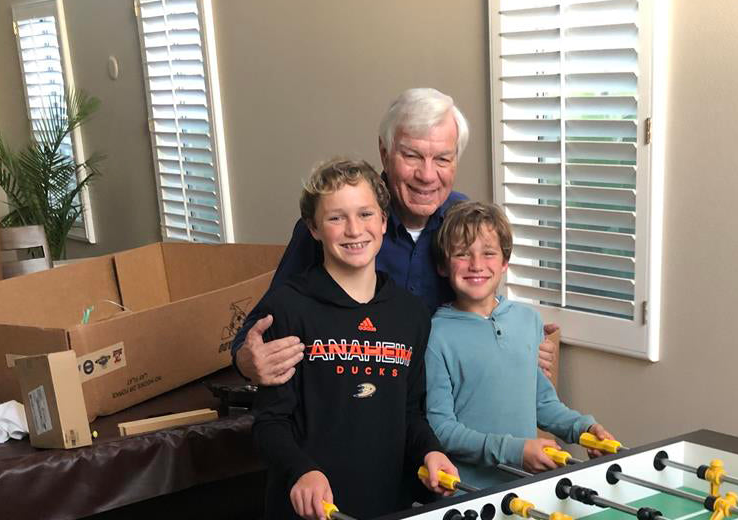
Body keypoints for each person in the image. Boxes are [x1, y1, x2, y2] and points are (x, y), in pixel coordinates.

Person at [233, 88, 560, 389]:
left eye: (442, 159)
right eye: (412, 156)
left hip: (443, 404)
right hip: (353, 396)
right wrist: (248, 361)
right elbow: (258, 332)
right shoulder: (342, 228)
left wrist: (518, 348)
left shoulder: (466, 224)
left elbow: (483, 310)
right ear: (384, 151)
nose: (427, 175)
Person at [252, 157, 456, 520]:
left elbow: (411, 412)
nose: (353, 230)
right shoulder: (286, 308)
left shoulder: (410, 314)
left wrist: (430, 450)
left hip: (390, 517)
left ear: (383, 221)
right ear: (313, 228)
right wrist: (302, 470)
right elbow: (269, 422)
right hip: (307, 517)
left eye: (365, 214)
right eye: (336, 218)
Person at [424, 202, 617, 489]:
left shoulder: (528, 320)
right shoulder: (435, 334)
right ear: (443, 265)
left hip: (527, 486)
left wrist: (583, 428)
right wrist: (515, 451)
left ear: (504, 262)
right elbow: (442, 430)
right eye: (462, 254)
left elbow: (543, 403)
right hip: (467, 494)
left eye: (488, 253)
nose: (476, 264)